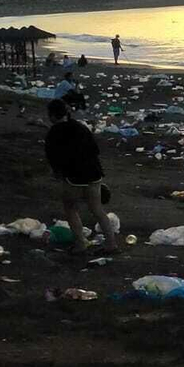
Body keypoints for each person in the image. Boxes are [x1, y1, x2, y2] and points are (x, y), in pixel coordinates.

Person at [44, 98, 118, 254]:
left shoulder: (54, 133)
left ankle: (80, 244)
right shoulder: (80, 127)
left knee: (71, 209)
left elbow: (54, 158)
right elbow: (95, 150)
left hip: (73, 178)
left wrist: (58, 174)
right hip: (94, 174)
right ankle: (111, 244)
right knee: (98, 210)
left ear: (52, 115)